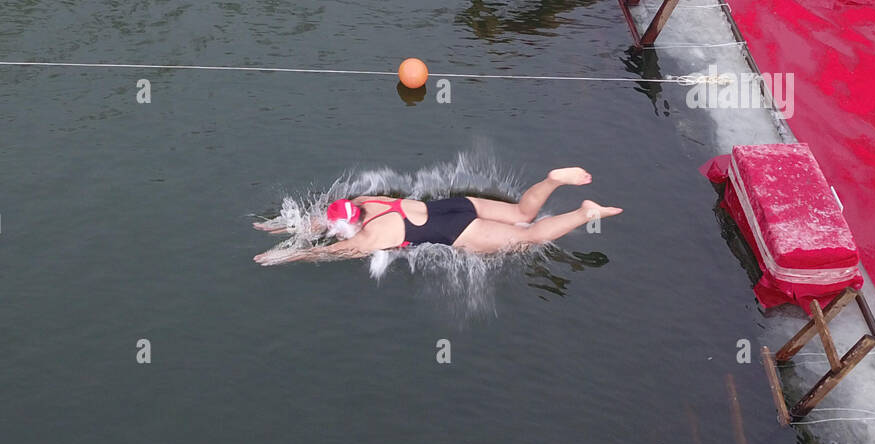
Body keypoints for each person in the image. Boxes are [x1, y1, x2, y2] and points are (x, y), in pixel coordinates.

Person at [253, 167, 622, 264]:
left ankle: (582, 212)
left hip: (452, 230)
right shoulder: (369, 201)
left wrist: (285, 255)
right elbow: (321, 220)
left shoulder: (368, 239)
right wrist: (277, 227)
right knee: (522, 212)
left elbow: (323, 251)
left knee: (530, 236)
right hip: (453, 206)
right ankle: (551, 180)